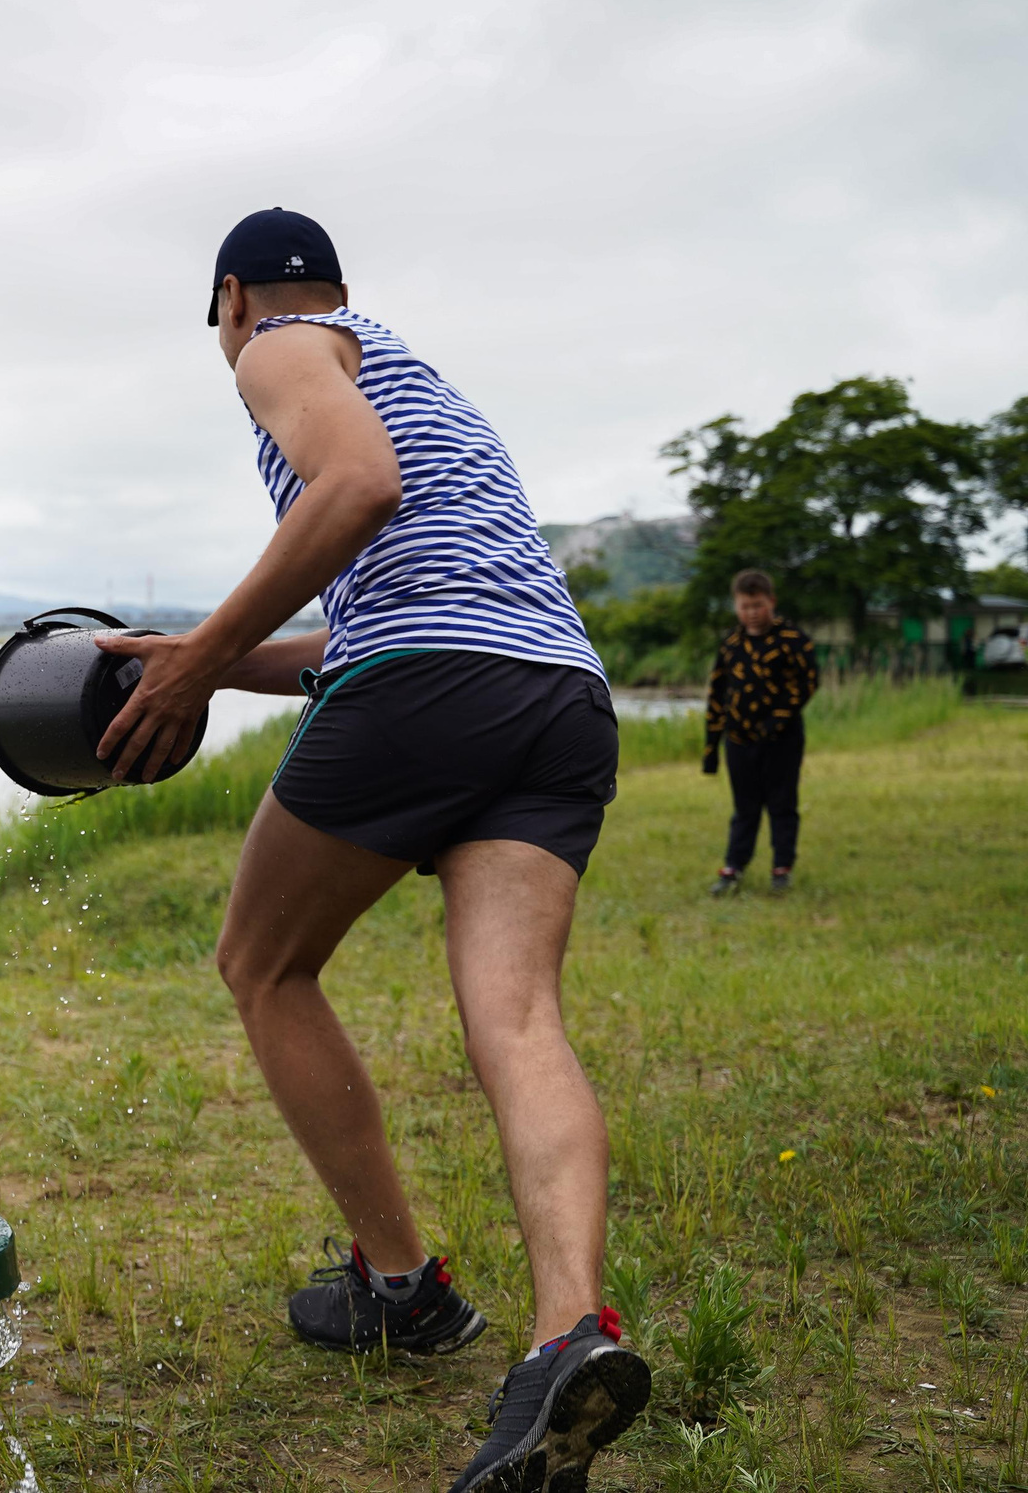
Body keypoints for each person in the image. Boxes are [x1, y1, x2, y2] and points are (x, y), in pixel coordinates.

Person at [95, 210, 649, 1491]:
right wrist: (202, 663)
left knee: (263, 963)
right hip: (557, 696)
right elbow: (395, 601)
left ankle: (402, 1288)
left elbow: (358, 493)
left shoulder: (281, 347)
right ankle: (569, 1334)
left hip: (433, 680)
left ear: (231, 296)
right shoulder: (409, 369)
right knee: (517, 1020)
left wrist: (202, 656)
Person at [703, 569, 817, 897]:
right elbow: (717, 695)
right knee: (745, 807)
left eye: (757, 604)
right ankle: (733, 867)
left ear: (771, 602)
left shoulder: (793, 640)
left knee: (782, 804)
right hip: (738, 741)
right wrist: (711, 749)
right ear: (736, 606)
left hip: (783, 740)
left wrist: (776, 721)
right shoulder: (731, 645)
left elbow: (808, 683)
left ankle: (782, 866)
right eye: (744, 605)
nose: (751, 612)